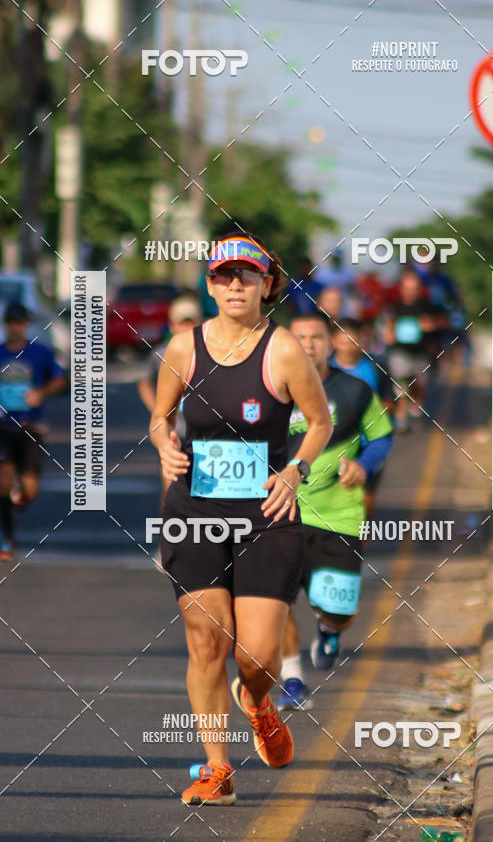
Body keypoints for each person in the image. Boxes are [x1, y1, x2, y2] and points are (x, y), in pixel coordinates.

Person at [150, 233, 332, 806]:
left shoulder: (282, 350)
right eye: (224, 275)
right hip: (195, 511)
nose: (235, 284)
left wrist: (295, 471)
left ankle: (257, 701)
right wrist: (163, 448)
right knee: (206, 639)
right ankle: (217, 768)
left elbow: (320, 421)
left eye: (247, 276)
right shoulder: (184, 348)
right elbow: (160, 417)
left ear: (266, 286)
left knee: (256, 657)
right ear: (210, 285)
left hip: (265, 516)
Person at [277, 313, 393, 711]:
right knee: (274, 603)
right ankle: (292, 678)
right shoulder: (269, 391)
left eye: (316, 337)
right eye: (299, 337)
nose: (308, 344)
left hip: (338, 515)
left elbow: (381, 437)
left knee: (339, 609)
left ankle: (329, 628)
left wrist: (364, 465)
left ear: (330, 344)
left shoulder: (356, 391)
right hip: (277, 513)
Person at [0, 302, 67, 561]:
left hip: (31, 426)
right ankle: (7, 539)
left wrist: (42, 392)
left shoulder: (39, 352)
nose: (16, 327)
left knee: (30, 488)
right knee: (3, 481)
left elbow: (59, 379)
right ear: (6, 325)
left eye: (20, 322)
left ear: (26, 325)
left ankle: (20, 499)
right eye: (11, 322)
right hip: (4, 425)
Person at [329, 317, 395, 518]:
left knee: (365, 493)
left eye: (352, 341)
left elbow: (389, 402)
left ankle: (362, 538)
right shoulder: (324, 369)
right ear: (333, 342)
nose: (348, 347)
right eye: (343, 341)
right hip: (335, 443)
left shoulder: (376, 367)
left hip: (369, 443)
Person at [138, 296, 201, 502]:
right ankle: (170, 530)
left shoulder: (212, 353)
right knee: (172, 490)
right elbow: (144, 383)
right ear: (172, 326)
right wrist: (158, 411)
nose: (186, 327)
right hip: (174, 432)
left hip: (204, 434)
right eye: (182, 322)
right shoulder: (160, 354)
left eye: (191, 322)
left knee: (204, 494)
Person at [384, 268, 447, 432]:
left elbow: (443, 321)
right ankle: (401, 419)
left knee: (419, 384)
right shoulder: (395, 307)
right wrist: (389, 334)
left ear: (419, 289)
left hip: (421, 353)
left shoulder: (428, 307)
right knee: (402, 385)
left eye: (414, 289)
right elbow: (389, 325)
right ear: (402, 289)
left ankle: (416, 404)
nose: (410, 292)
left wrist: (431, 325)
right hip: (400, 353)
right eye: (407, 288)